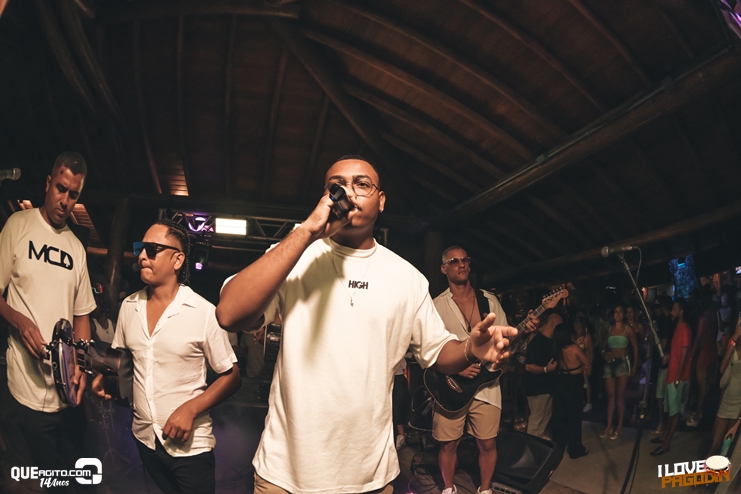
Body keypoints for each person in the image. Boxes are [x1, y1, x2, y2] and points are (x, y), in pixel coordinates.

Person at [216, 156, 518, 494]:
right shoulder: (294, 256)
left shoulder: (406, 278)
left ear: (381, 200)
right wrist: (307, 232)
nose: (349, 192)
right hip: (286, 475)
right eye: (337, 186)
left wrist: (470, 349)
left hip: (369, 477)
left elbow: (438, 351)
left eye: (362, 184)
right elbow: (229, 314)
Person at [94, 220, 240, 494]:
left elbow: (231, 376)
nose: (141, 256)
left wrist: (190, 409)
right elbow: (121, 356)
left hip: (190, 448)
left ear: (177, 260)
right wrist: (105, 376)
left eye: (152, 249)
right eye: (140, 248)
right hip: (145, 438)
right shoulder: (129, 307)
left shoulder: (203, 312)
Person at [0, 152, 96, 478]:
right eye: (60, 188)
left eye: (74, 194)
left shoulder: (76, 248)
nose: (65, 201)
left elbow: (82, 315)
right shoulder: (18, 225)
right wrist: (18, 320)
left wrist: (82, 364)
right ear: (47, 183)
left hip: (66, 397)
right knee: (37, 477)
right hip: (24, 390)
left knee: (71, 477)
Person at [433, 245, 510, 494]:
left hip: (486, 386)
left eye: (465, 259)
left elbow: (504, 336)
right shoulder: (436, 306)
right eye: (454, 261)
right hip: (451, 386)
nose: (462, 264)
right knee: (448, 444)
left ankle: (485, 489)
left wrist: (514, 338)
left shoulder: (489, 300)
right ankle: (448, 488)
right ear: (443, 269)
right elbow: (427, 349)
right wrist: (455, 369)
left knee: (487, 443)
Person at [650, 299, 692, 456]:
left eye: (675, 309)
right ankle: (665, 436)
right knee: (670, 410)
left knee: (674, 412)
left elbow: (684, 355)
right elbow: (678, 352)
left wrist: (678, 378)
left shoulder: (685, 329)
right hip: (672, 374)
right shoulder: (677, 328)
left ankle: (667, 443)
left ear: (681, 312)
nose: (672, 312)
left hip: (677, 376)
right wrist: (669, 356)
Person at [551, 323, 591, 459]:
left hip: (562, 381)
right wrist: (586, 348)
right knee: (574, 417)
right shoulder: (573, 348)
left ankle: (558, 447)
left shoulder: (557, 349)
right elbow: (586, 361)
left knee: (561, 416)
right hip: (574, 383)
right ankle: (575, 449)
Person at [523, 310, 563, 439]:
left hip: (547, 388)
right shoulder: (538, 341)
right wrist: (546, 369)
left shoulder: (550, 342)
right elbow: (528, 366)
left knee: (544, 418)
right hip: (537, 389)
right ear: (553, 324)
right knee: (536, 421)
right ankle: (530, 446)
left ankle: (538, 445)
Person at [600, 304, 638, 440]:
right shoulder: (609, 329)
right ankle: (609, 425)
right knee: (610, 396)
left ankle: (620, 426)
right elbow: (603, 347)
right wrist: (604, 353)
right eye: (615, 311)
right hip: (610, 363)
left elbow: (634, 347)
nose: (618, 314)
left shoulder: (628, 329)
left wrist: (634, 365)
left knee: (620, 396)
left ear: (623, 314)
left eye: (620, 311)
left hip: (622, 362)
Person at [707, 316, 741, 455]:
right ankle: (706, 468)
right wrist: (735, 338)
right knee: (715, 444)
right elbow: (722, 369)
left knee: (726, 447)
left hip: (738, 403)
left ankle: (720, 469)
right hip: (726, 398)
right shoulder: (732, 342)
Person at [687, 289, 720, 427]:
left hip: (704, 352)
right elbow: (719, 329)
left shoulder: (703, 317)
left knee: (702, 385)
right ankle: (702, 412)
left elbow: (699, 338)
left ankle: (698, 414)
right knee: (707, 384)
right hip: (713, 349)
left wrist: (690, 355)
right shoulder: (715, 313)